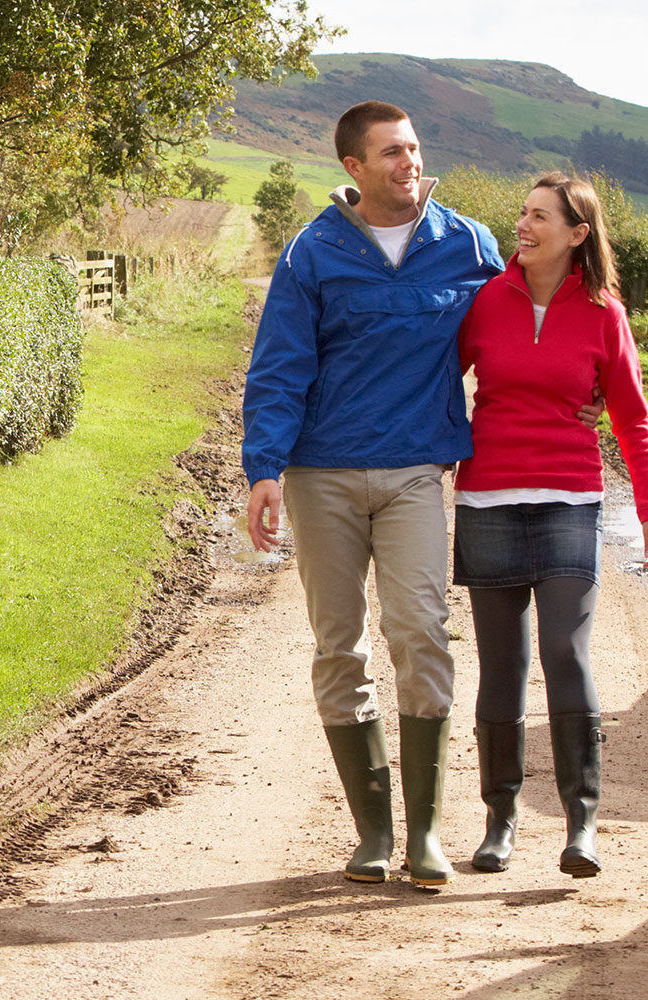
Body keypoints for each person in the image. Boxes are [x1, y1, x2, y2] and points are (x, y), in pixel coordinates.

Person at [242, 101, 503, 888]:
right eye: (391, 151)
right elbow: (280, 366)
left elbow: (527, 323)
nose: (408, 162)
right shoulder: (312, 253)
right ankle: (373, 833)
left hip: (417, 471)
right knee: (338, 644)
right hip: (321, 475)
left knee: (421, 630)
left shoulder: (466, 244)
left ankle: (424, 833)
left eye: (414, 148)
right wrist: (264, 469)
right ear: (353, 167)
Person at [456, 171, 648, 880]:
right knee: (502, 667)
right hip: (487, 500)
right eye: (522, 212)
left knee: (564, 653)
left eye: (539, 216)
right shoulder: (485, 300)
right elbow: (432, 384)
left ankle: (581, 824)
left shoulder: (604, 312)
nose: (523, 224)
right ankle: (502, 820)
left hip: (568, 500)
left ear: (577, 234)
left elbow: (633, 414)